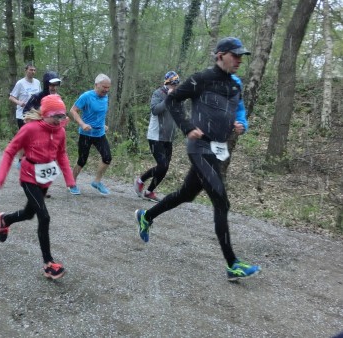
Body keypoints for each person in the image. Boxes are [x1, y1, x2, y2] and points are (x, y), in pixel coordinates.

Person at [135, 37, 261, 281]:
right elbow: (171, 100)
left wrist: (241, 124)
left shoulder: (235, 85)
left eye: (241, 56)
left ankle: (146, 216)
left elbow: (240, 110)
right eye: (234, 55)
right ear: (220, 55)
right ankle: (232, 264)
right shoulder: (201, 79)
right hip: (199, 147)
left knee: (186, 194)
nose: (238, 60)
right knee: (221, 201)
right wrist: (186, 126)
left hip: (218, 149)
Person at [0, 94, 76, 280]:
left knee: (29, 213)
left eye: (62, 116)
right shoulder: (30, 129)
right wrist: (0, 178)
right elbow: (10, 150)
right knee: (44, 217)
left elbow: (62, 154)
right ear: (45, 114)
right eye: (56, 116)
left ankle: (6, 220)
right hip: (29, 177)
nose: (60, 120)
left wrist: (70, 180)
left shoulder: (60, 131)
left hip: (45, 179)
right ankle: (48, 264)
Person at [134, 71, 180, 202]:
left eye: (176, 84)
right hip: (155, 136)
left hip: (169, 137)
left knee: (165, 167)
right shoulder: (158, 93)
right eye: (172, 84)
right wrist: (168, 99)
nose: (174, 86)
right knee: (162, 165)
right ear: (167, 83)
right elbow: (155, 110)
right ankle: (140, 180)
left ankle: (149, 191)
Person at [69, 74, 112, 195]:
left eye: (108, 88)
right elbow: (73, 110)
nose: (106, 90)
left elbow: (100, 113)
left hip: (99, 134)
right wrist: (82, 124)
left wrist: (103, 124)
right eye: (104, 87)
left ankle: (97, 182)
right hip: (86, 134)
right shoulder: (86, 96)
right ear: (96, 85)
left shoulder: (105, 96)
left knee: (107, 158)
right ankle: (72, 182)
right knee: (82, 160)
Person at [9, 63, 41, 168]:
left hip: (35, 114)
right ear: (26, 70)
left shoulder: (37, 82)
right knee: (24, 138)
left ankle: (31, 159)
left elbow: (40, 97)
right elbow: (11, 97)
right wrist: (19, 103)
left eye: (34, 70)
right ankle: (20, 160)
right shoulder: (20, 83)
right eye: (30, 70)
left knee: (34, 138)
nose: (32, 72)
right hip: (22, 114)